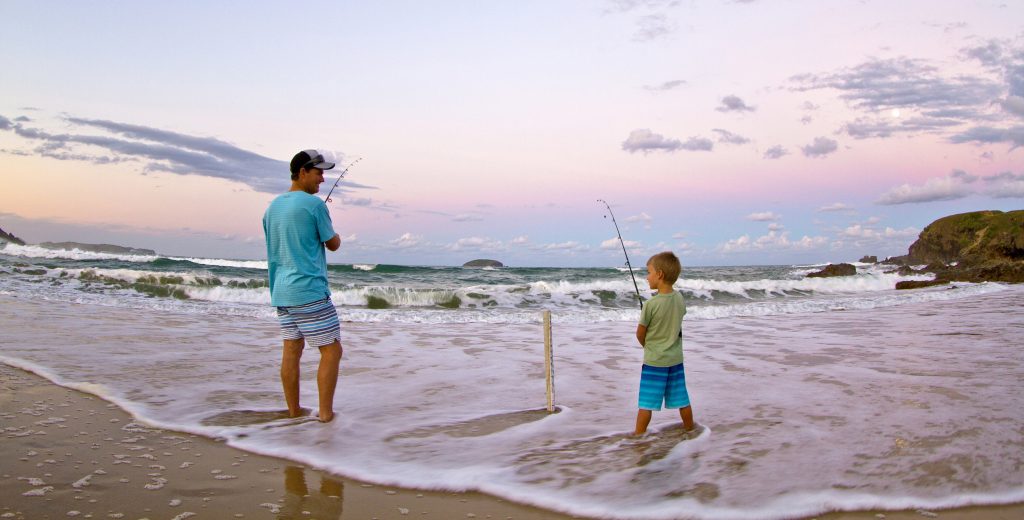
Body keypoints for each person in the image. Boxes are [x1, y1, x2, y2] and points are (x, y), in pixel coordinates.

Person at [263, 149, 343, 423]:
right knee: (332, 350)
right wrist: (336, 235)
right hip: (309, 290)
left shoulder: (272, 207)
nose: (322, 178)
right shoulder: (315, 206)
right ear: (302, 173)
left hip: (282, 291)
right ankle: (325, 415)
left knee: (291, 350)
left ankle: (295, 412)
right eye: (318, 172)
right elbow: (332, 244)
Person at [633, 251, 694, 436]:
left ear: (659, 274)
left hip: (655, 362)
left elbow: (640, 334)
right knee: (682, 399)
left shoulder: (651, 304)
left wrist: (649, 347)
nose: (647, 277)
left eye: (649, 272)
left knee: (646, 404)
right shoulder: (679, 299)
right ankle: (690, 430)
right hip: (675, 360)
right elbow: (677, 319)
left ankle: (637, 438)